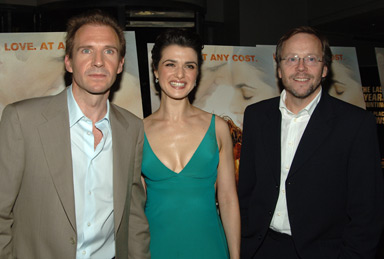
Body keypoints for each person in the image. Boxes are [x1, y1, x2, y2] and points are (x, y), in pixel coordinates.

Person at [0, 9, 150, 259]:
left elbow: (134, 217)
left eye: (109, 51)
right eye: (86, 50)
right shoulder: (22, 120)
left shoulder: (133, 128)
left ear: (120, 65)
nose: (98, 61)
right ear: (69, 62)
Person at [238, 26, 383, 259]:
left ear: (325, 68)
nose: (301, 67)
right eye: (292, 58)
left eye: (311, 59)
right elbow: (245, 191)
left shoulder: (355, 124)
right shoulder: (256, 115)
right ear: (279, 67)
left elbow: (367, 212)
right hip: (260, 249)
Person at [142, 29, 240, 258]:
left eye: (189, 65)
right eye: (170, 64)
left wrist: (235, 256)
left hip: (209, 248)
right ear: (155, 70)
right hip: (156, 248)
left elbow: (227, 199)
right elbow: (135, 208)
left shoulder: (218, 128)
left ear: (197, 74)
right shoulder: (138, 131)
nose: (180, 74)